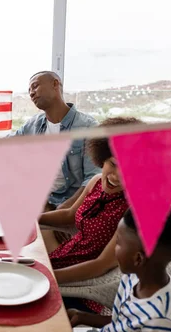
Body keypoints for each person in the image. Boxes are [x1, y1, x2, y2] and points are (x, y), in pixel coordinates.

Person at [69, 208, 171, 332]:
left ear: (138, 259)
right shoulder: (134, 276)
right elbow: (122, 325)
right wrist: (82, 316)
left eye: (118, 243)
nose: (114, 249)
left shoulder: (161, 322)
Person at [40, 117, 142, 286]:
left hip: (80, 281)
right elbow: (69, 215)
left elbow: (100, 265)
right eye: (113, 164)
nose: (116, 175)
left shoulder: (134, 210)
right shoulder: (95, 182)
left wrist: (47, 277)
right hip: (60, 259)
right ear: (102, 157)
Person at [14, 71, 100, 211]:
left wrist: (65, 210)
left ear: (55, 84)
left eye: (35, 86)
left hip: (70, 204)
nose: (31, 93)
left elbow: (93, 180)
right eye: (29, 90)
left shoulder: (88, 127)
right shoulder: (33, 124)